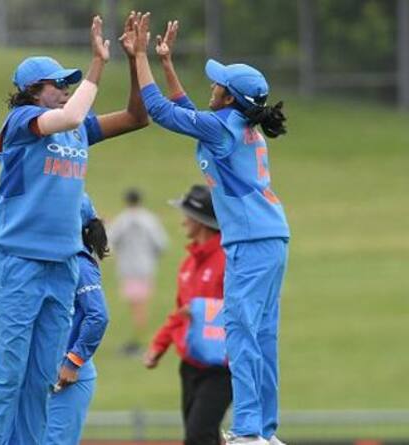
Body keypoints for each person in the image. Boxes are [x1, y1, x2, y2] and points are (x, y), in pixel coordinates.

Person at [0, 13, 149, 445]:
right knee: (10, 375)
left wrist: (135, 60)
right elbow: (71, 116)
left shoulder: (75, 131)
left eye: (68, 82)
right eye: (57, 83)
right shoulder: (21, 123)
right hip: (18, 261)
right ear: (33, 91)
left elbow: (136, 117)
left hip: (63, 264)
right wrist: (97, 63)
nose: (66, 89)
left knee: (40, 380)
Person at [132, 13, 290, 445]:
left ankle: (248, 432)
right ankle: (264, 430)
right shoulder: (234, 124)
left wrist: (140, 57)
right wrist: (166, 63)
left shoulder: (222, 128)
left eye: (218, 84)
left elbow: (163, 112)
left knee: (239, 333)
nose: (212, 87)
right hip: (269, 237)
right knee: (263, 334)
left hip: (251, 242)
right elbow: (187, 113)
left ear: (228, 97)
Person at [143, 185, 230, 445]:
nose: (183, 221)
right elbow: (181, 312)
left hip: (222, 367)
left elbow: (242, 309)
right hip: (191, 364)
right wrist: (159, 346)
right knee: (203, 436)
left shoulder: (228, 260)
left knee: (198, 436)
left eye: (187, 215)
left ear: (201, 220)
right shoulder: (189, 264)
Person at [44, 194, 110, 445]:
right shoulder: (61, 260)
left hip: (69, 377)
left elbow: (98, 316)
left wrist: (73, 362)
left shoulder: (79, 265)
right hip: (50, 372)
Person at [108, 187, 168, 355]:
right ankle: (141, 339)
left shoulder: (122, 220)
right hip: (146, 267)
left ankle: (139, 341)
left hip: (127, 268)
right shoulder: (149, 219)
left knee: (135, 305)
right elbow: (161, 243)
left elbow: (110, 241)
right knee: (142, 304)